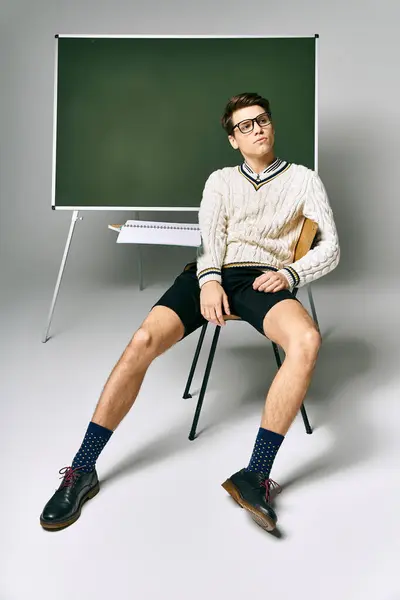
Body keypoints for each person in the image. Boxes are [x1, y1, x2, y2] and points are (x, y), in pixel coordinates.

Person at [40, 92, 340, 533]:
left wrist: (291, 274)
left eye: (262, 120)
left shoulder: (303, 179)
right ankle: (82, 469)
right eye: (245, 126)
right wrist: (210, 279)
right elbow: (209, 240)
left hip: (263, 279)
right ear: (233, 140)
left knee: (307, 340)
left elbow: (331, 246)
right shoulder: (220, 180)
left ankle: (254, 476)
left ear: (272, 126)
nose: (257, 129)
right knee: (142, 340)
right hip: (212, 274)